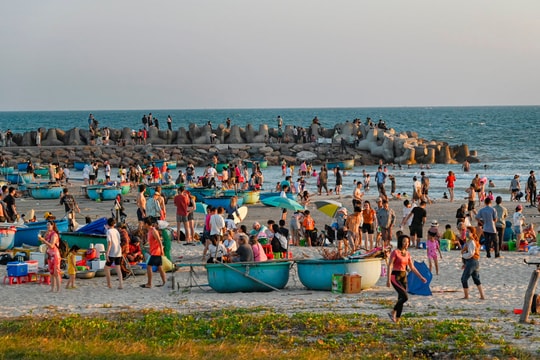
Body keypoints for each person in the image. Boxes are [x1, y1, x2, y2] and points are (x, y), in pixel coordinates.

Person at [387, 234, 427, 323]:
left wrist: (421, 277)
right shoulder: (395, 252)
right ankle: (393, 311)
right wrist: (388, 279)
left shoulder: (408, 254)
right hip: (395, 276)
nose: (406, 243)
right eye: (405, 241)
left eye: (408, 242)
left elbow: (412, 267)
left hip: (403, 276)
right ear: (401, 242)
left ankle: (397, 319)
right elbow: (390, 265)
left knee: (400, 298)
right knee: (405, 297)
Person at [461, 227, 486, 300]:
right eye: (466, 231)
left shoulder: (471, 242)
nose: (466, 233)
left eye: (468, 231)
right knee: (476, 279)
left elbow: (471, 254)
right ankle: (482, 295)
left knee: (464, 279)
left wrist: (463, 255)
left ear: (472, 233)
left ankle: (466, 296)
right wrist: (465, 263)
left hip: (472, 261)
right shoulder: (471, 241)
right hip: (475, 262)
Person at [141, 217, 167, 288]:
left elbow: (159, 241)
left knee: (149, 266)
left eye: (144, 223)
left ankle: (149, 283)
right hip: (154, 251)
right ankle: (165, 282)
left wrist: (162, 251)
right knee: (160, 267)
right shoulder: (149, 231)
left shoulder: (153, 230)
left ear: (146, 224)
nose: (143, 225)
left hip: (156, 252)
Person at [38, 221, 62, 292]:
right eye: (47, 225)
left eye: (49, 225)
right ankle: (52, 288)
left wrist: (44, 240)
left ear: (52, 226)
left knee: (56, 272)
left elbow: (51, 245)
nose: (47, 226)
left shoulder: (54, 235)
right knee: (51, 272)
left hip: (55, 254)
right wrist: (42, 239)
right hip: (49, 254)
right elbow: (45, 243)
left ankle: (58, 289)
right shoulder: (48, 234)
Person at [104, 217, 123, 289]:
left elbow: (109, 243)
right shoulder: (116, 231)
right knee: (118, 268)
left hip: (112, 252)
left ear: (108, 224)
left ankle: (109, 284)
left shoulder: (108, 232)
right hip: (118, 251)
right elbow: (119, 241)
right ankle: (121, 284)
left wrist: (107, 253)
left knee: (106, 268)